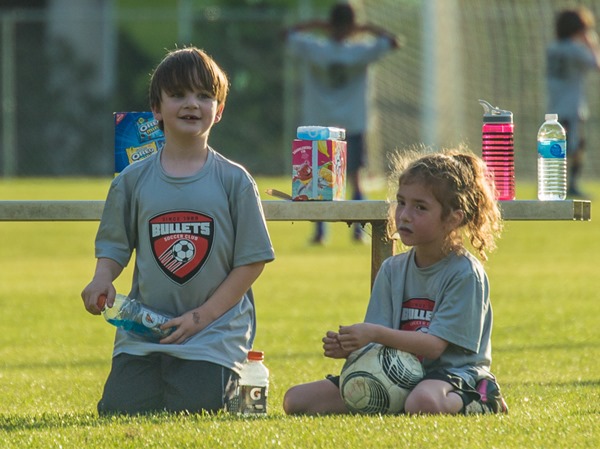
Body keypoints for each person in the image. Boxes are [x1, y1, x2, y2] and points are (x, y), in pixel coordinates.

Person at [81, 47, 275, 415]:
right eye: (179, 94)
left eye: (204, 95)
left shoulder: (235, 181)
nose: (192, 104)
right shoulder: (131, 180)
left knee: (195, 407)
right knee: (121, 410)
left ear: (219, 111)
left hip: (212, 334)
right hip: (144, 333)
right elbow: (114, 246)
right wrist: (101, 278)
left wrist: (201, 317)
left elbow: (251, 263)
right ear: (156, 108)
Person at [283, 148, 508, 415]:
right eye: (401, 202)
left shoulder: (464, 273)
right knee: (296, 400)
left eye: (420, 207)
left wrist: (372, 333)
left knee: (422, 402)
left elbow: (435, 347)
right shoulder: (392, 269)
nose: (404, 215)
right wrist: (351, 348)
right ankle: (396, 399)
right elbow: (378, 339)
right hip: (394, 372)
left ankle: (484, 398)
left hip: (451, 375)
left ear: (452, 219)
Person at [284, 2, 399, 244]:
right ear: (352, 26)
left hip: (319, 124)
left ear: (330, 24)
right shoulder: (361, 51)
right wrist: (366, 28)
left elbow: (286, 35)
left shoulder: (315, 47)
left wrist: (315, 25)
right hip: (352, 123)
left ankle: (320, 233)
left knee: (315, 180)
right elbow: (393, 41)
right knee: (354, 177)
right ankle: (358, 231)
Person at [546, 6, 600, 198]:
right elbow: (597, 64)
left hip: (555, 104)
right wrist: (592, 43)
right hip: (571, 106)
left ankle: (558, 184)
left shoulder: (552, 48)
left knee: (563, 146)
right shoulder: (576, 50)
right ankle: (570, 185)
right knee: (573, 147)